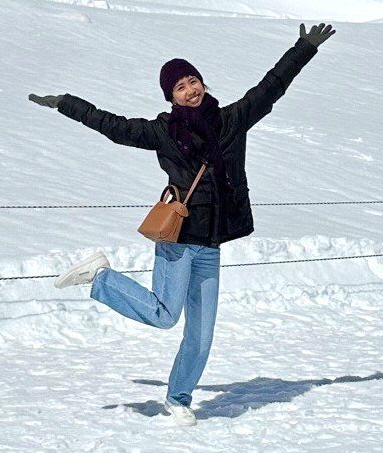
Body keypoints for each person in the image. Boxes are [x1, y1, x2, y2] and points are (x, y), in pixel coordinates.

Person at [29, 25, 335, 423]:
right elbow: (114, 126)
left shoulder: (231, 120)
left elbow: (271, 87)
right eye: (180, 87)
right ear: (170, 97)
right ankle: (101, 277)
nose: (190, 89)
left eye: (193, 80)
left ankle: (179, 398)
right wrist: (66, 103)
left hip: (210, 245)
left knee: (202, 335)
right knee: (164, 315)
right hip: (178, 240)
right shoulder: (163, 131)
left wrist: (304, 48)